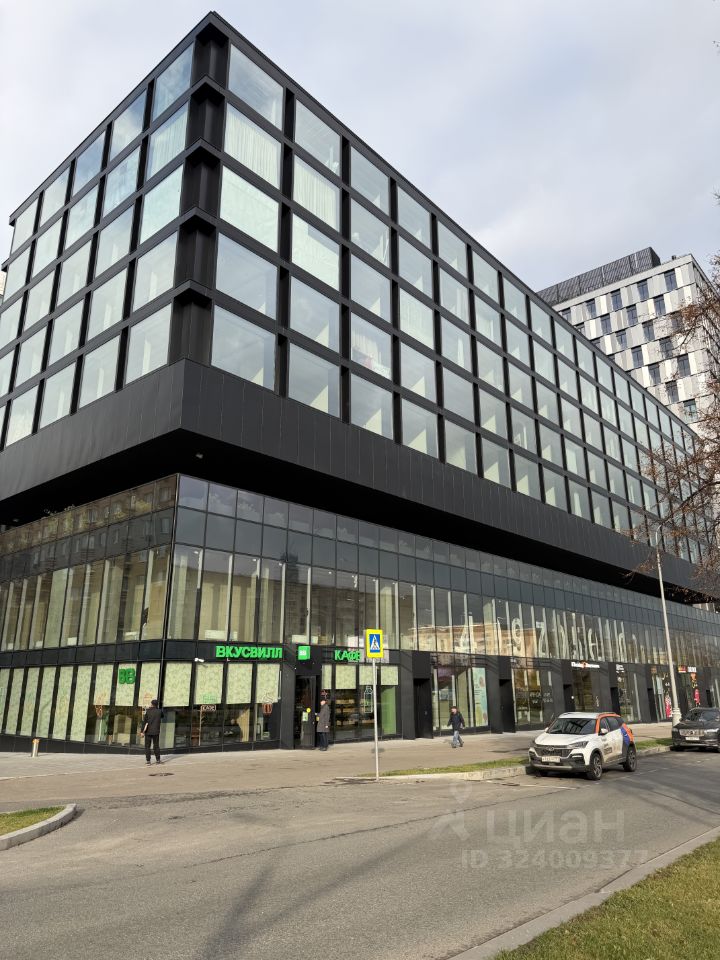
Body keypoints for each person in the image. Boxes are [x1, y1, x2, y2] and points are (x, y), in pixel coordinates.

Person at [141, 699, 164, 765]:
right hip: (156, 731)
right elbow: (162, 716)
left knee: (147, 746)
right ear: (157, 704)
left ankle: (148, 761)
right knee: (156, 746)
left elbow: (144, 722)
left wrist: (142, 731)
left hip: (148, 731)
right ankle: (158, 760)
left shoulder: (148, 711)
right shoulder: (159, 711)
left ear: (151, 704)